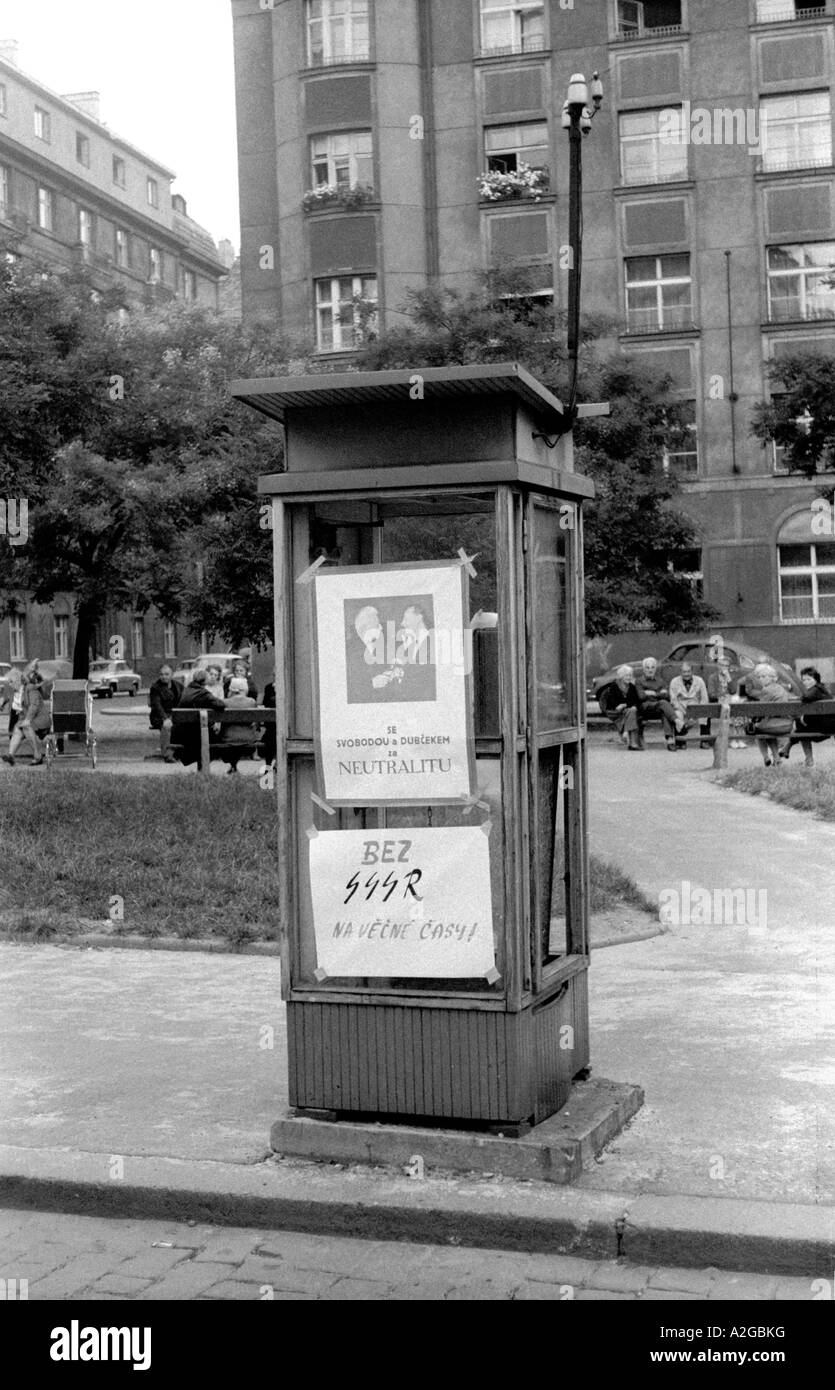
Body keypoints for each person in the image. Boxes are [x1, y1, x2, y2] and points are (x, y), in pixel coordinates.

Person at [743, 663, 797, 767]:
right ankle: (776, 759)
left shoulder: (766, 690)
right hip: (787, 724)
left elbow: (760, 711)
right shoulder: (781, 689)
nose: (761, 679)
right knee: (765, 730)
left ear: (773, 678)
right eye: (759, 677)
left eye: (763, 676)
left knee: (757, 731)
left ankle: (766, 757)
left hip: (776, 726)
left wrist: (752, 719)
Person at [174, 669, 225, 770]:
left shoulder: (186, 690)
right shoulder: (203, 693)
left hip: (182, 733)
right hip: (197, 734)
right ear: (204, 680)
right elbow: (220, 705)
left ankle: (201, 768)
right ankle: (203, 767)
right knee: (219, 742)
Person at [2, 671, 51, 765]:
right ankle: (10, 756)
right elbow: (9, 699)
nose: (9, 684)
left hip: (41, 720)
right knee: (17, 728)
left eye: (11, 681)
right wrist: (2, 702)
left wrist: (27, 719)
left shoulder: (30, 688)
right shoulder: (14, 692)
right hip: (29, 721)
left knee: (25, 726)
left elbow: (34, 705)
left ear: (17, 681)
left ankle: (38, 757)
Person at [793, 666, 835, 768]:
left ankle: (809, 759)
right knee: (800, 725)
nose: (806, 682)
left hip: (825, 726)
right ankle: (806, 758)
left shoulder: (815, 689)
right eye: (804, 680)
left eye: (809, 679)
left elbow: (806, 697)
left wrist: (801, 697)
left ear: (816, 679)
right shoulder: (822, 689)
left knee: (799, 726)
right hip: (830, 724)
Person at [634, 657, 677, 751]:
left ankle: (669, 739)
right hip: (645, 709)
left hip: (658, 707)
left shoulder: (660, 680)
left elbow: (667, 695)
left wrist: (651, 693)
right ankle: (677, 722)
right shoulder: (639, 681)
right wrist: (659, 694)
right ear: (644, 669)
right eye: (647, 667)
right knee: (663, 704)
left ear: (655, 669)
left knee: (664, 710)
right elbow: (641, 697)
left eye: (652, 667)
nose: (650, 670)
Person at [599, 664, 642, 750]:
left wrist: (627, 705)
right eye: (627, 675)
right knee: (631, 713)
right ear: (622, 676)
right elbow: (612, 702)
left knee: (632, 711)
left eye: (630, 675)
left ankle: (625, 733)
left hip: (627, 710)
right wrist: (623, 705)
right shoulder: (614, 686)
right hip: (614, 711)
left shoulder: (632, 687)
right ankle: (632, 743)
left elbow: (636, 701)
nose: (629, 677)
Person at [706, 659, 746, 750]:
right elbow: (711, 694)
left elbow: (733, 691)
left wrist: (728, 678)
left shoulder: (731, 676)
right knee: (731, 705)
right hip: (719, 701)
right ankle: (733, 738)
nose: (724, 668)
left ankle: (738, 738)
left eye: (726, 666)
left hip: (730, 700)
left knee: (737, 702)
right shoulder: (713, 677)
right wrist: (722, 695)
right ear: (718, 666)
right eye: (722, 665)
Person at [669, 662, 710, 749]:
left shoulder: (700, 680)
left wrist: (697, 712)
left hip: (696, 706)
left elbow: (704, 698)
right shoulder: (674, 682)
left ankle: (704, 740)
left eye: (688, 671)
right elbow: (673, 700)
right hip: (681, 707)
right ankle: (680, 742)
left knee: (705, 714)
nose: (686, 674)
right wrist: (681, 709)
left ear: (692, 671)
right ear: (680, 672)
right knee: (677, 715)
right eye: (684, 672)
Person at [148, 663, 183, 763]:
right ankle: (167, 754)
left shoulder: (178, 686)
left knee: (186, 724)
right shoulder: (155, 688)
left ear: (172, 675)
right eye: (161, 674)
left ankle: (182, 752)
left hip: (175, 715)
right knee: (167, 726)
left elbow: (184, 699)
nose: (164, 677)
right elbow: (157, 705)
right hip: (159, 716)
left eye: (166, 674)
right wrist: (165, 718)